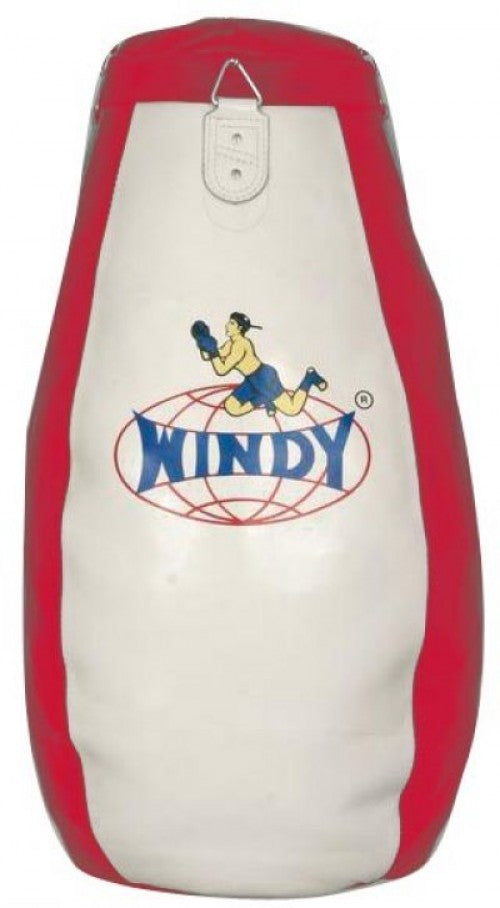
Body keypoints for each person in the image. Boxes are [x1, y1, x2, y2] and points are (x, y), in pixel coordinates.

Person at [191, 312, 328, 417]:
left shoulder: (240, 345)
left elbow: (222, 369)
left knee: (292, 409)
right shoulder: (230, 343)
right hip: (251, 380)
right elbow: (214, 354)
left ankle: (309, 377)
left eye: (231, 323)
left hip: (264, 378)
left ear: (239, 328)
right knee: (231, 407)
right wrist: (203, 343)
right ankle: (263, 398)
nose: (227, 325)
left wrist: (212, 351)